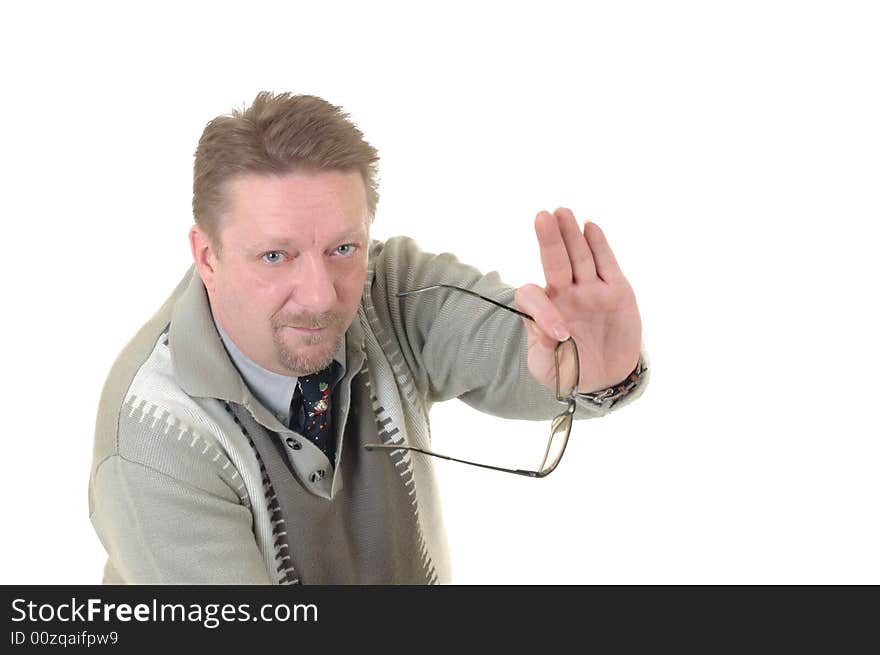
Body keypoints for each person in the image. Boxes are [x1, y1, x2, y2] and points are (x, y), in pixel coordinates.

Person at [88, 91, 651, 584]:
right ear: (207, 256)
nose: (320, 296)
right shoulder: (153, 436)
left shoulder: (392, 291)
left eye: (342, 249)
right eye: (275, 256)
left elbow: (517, 350)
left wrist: (588, 367)